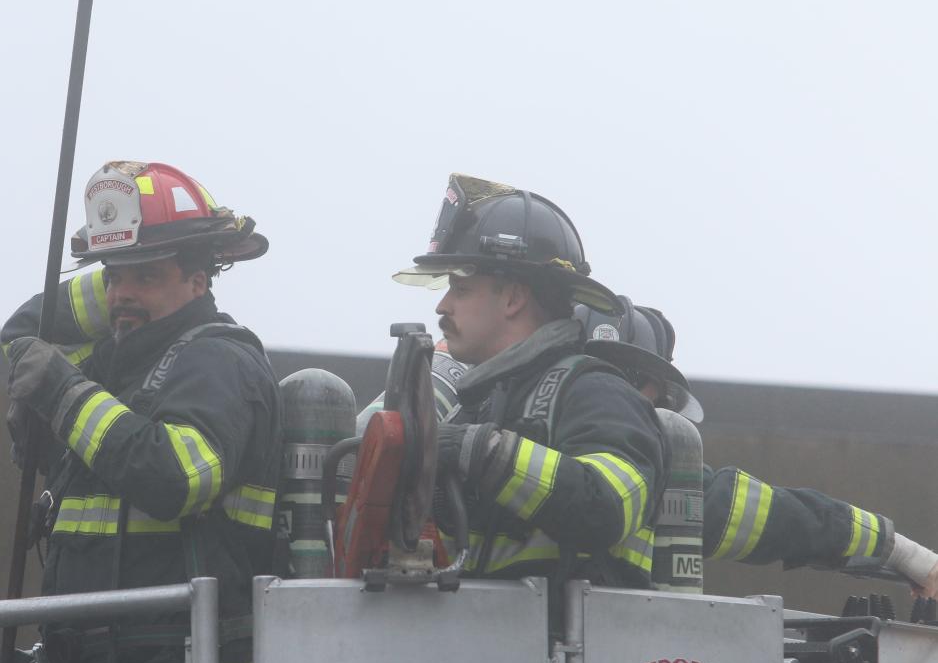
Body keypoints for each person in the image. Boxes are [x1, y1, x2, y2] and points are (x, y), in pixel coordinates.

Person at [1, 160, 282, 663]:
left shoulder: (218, 360)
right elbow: (23, 330)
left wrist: (64, 394)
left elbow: (178, 476)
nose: (123, 293)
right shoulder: (112, 368)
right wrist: (125, 275)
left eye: (147, 277)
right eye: (113, 278)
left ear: (199, 282)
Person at [394, 173, 666, 587]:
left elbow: (610, 505)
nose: (442, 305)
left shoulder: (593, 391)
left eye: (461, 289)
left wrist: (483, 451)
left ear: (513, 298)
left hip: (570, 646)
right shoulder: (482, 403)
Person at [572, 298, 938, 598]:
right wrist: (908, 555)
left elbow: (780, 517)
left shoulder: (526, 436)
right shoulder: (656, 462)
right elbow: (785, 518)